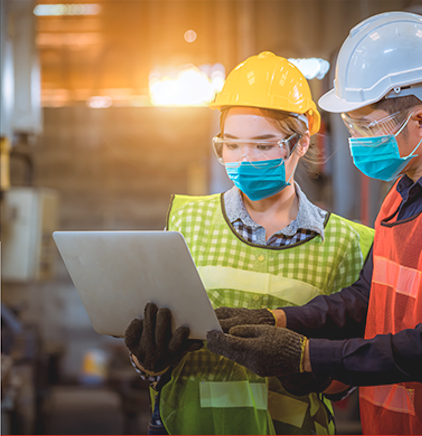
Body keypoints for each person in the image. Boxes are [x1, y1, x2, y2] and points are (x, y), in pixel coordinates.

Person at [206, 12, 422, 435]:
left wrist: (308, 356)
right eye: (352, 125)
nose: (356, 139)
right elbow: (368, 297)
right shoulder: (404, 193)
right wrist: (279, 320)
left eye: (366, 125)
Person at [124, 51, 375, 435]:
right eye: (232, 144)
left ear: (301, 143)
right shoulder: (186, 222)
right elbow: (159, 342)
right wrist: (149, 362)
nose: (244, 158)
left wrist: (304, 370)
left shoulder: (348, 243)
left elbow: (350, 371)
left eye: (262, 145)